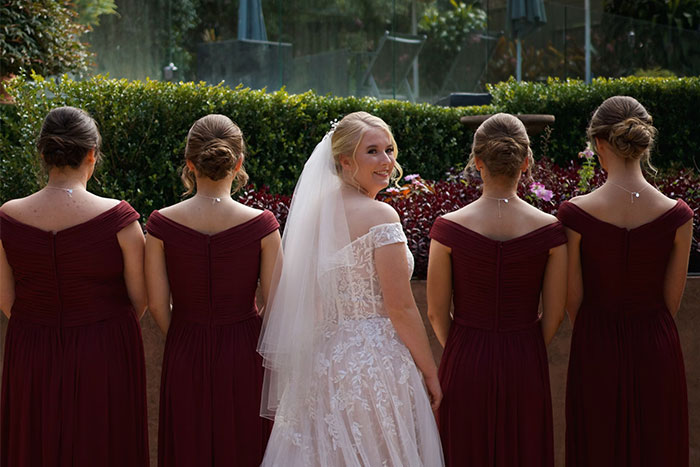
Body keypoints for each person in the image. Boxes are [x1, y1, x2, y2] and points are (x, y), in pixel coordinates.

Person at [258, 111, 444, 466]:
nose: (386, 160)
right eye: (372, 151)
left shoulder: (313, 215)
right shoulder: (381, 217)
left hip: (323, 364)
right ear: (345, 161)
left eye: (389, 149)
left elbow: (307, 301)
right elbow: (401, 308)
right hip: (374, 364)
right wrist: (431, 372)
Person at [0, 106, 149, 467]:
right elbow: (140, 301)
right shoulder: (121, 221)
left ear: (42, 154)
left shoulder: (7, 217)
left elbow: (7, 302)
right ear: (91, 155)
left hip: (31, 351)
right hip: (105, 352)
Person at [557, 96, 692, 466]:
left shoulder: (574, 214)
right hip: (656, 344)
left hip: (594, 342)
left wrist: (598, 333)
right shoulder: (679, 216)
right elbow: (671, 301)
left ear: (598, 144)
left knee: (597, 446)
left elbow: (574, 299)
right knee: (657, 445)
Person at [427, 113, 568, 466]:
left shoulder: (447, 229)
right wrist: (523, 345)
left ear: (477, 162)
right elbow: (554, 314)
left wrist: (466, 346)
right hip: (525, 358)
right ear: (525, 162)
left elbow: (434, 311)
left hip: (466, 357)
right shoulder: (551, 230)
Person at [145, 114, 280, 466]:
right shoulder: (263, 225)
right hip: (246, 346)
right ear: (238, 163)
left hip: (184, 345)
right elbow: (276, 303)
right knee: (243, 444)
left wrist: (184, 336)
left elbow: (158, 305)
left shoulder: (160, 224)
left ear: (189, 164)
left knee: (188, 443)